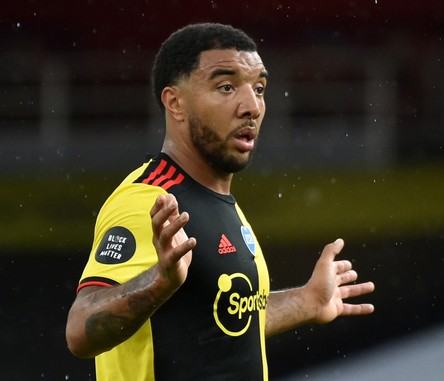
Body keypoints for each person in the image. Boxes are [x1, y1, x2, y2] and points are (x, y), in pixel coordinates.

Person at [65, 22, 375, 381]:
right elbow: (79, 330)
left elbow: (220, 321)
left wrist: (308, 301)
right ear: (175, 103)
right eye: (226, 87)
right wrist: (159, 281)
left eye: (259, 88)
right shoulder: (149, 198)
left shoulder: (218, 199)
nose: (252, 107)